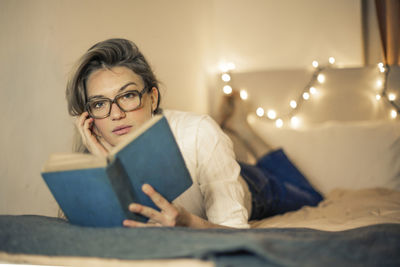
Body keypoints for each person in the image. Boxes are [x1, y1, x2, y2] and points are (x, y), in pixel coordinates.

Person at [66, 38, 323, 229]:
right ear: (89, 116)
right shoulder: (93, 150)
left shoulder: (197, 132)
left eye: (128, 95)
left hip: (251, 187)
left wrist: (188, 222)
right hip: (214, 164)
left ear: (152, 98)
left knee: (313, 197)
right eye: (99, 103)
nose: (115, 114)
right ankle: (236, 129)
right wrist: (106, 166)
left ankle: (244, 130)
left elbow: (236, 234)